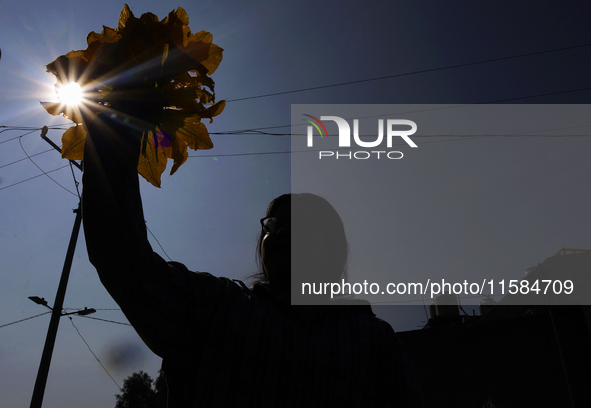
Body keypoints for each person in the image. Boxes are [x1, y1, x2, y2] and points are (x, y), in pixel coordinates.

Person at [82, 112, 423, 407]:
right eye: (273, 224)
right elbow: (124, 262)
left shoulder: (374, 340)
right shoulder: (218, 307)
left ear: (333, 246)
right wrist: (114, 130)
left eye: (301, 225)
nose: (281, 233)